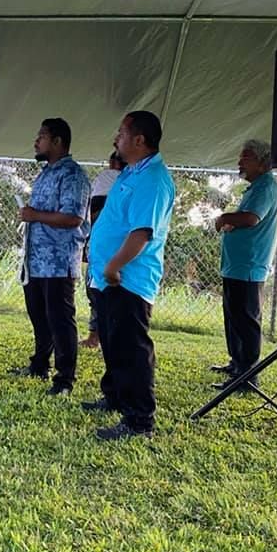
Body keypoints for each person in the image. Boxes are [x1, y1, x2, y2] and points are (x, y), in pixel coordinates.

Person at [83, 112, 175, 439]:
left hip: (128, 279)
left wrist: (113, 265)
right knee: (111, 341)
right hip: (108, 278)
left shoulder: (153, 179)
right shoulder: (130, 173)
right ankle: (115, 397)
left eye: (121, 132)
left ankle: (139, 421)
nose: (115, 138)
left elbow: (142, 232)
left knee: (131, 348)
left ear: (139, 140)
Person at [10, 119, 90, 396]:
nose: (36, 141)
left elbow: (73, 217)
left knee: (60, 319)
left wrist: (34, 215)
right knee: (39, 315)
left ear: (57, 141)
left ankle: (64, 379)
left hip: (58, 261)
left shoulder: (73, 175)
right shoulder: (45, 173)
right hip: (36, 260)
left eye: (42, 136)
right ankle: (39, 365)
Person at [211, 139, 277, 392]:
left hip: (249, 267)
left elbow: (251, 219)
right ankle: (237, 363)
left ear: (262, 163)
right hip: (236, 266)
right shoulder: (255, 188)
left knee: (245, 320)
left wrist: (225, 218)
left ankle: (248, 376)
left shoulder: (265, 187)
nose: (240, 162)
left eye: (246, 157)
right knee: (234, 317)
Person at [80, 150, 126, 348]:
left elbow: (95, 214)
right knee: (112, 295)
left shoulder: (108, 177)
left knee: (98, 293)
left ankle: (97, 337)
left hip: (103, 246)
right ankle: (104, 337)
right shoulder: (135, 182)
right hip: (124, 246)